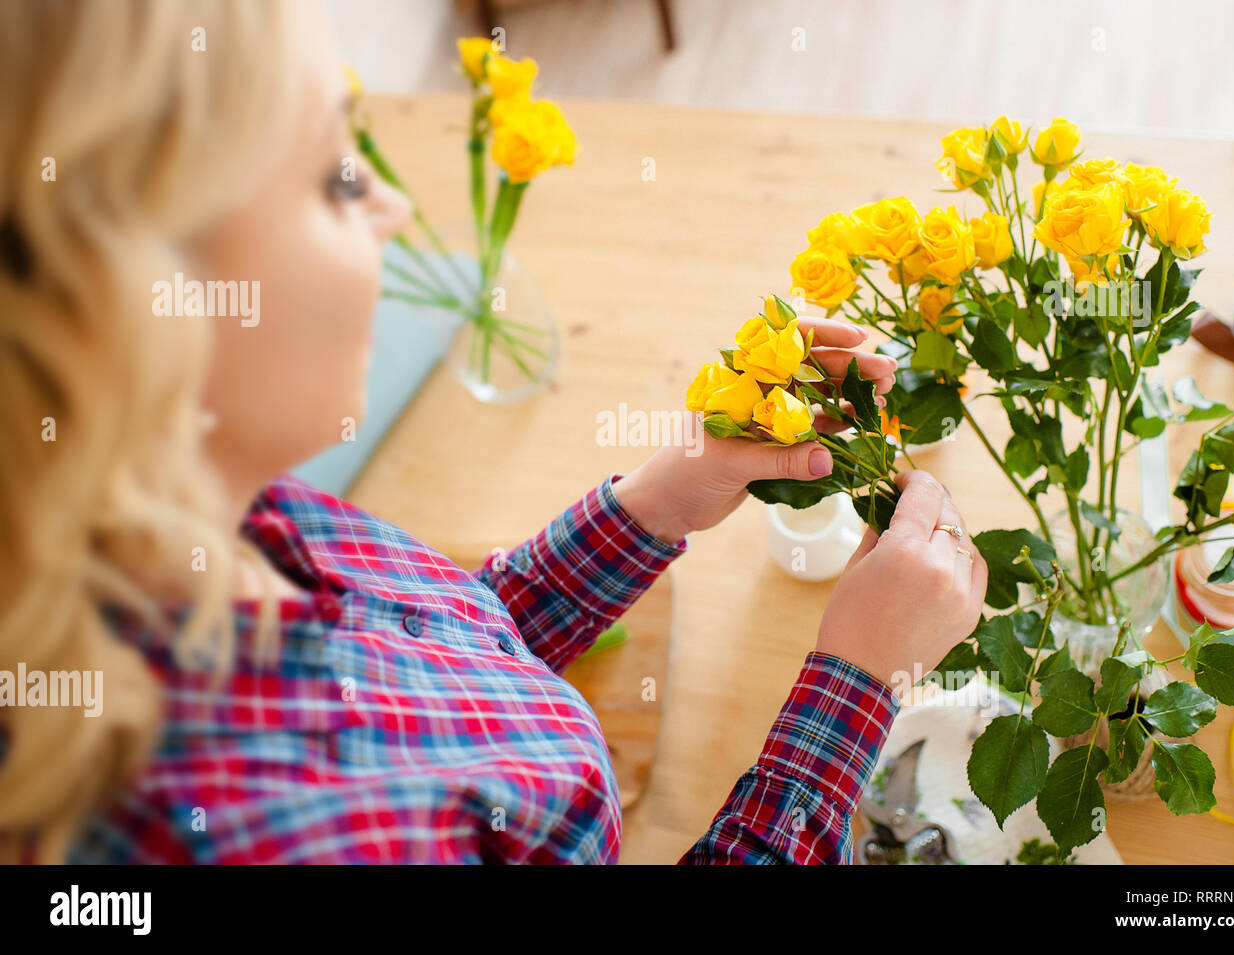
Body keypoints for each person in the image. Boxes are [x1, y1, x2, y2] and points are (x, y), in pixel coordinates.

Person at [0, 0, 986, 864]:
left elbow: (440, 676)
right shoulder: (277, 835)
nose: (389, 205)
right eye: (337, 176)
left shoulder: (218, 514)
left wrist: (651, 504)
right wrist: (857, 686)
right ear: (131, 308)